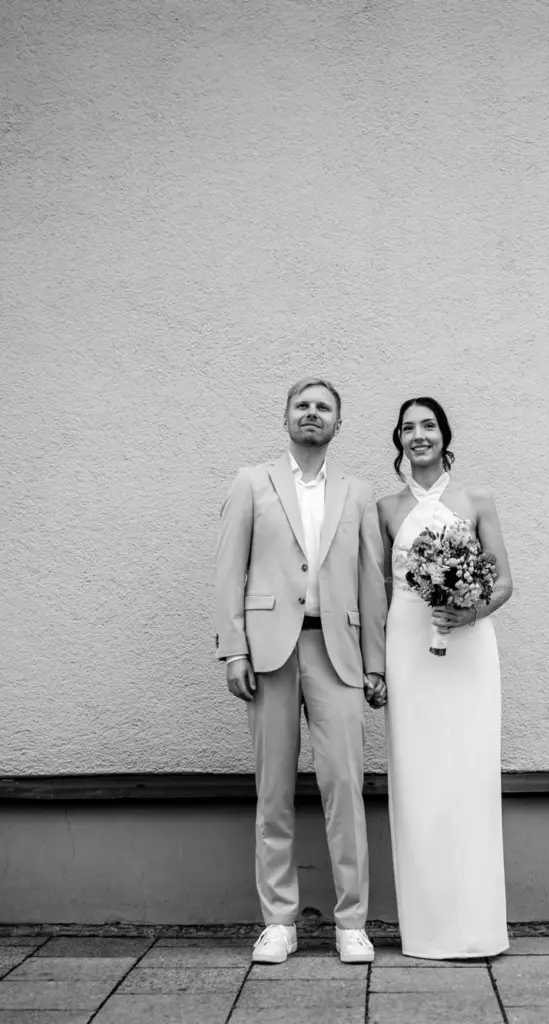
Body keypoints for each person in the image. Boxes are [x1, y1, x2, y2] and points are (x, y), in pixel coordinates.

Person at [213, 377, 388, 965]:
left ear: (339, 423)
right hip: (269, 653)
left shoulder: (358, 492)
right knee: (274, 791)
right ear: (285, 417)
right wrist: (233, 649)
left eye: (324, 408)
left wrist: (375, 663)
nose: (312, 414)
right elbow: (228, 570)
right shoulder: (251, 483)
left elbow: (371, 580)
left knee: (345, 788)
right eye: (302, 406)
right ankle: (279, 921)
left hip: (336, 652)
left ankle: (352, 922)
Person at [377, 396, 514, 959]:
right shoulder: (384, 508)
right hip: (409, 645)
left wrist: (471, 610)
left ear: (444, 434)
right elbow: (381, 589)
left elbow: (504, 581)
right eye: (408, 428)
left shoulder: (477, 499)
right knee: (419, 777)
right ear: (400, 442)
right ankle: (429, 929)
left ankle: (478, 925)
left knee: (471, 774)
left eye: (428, 425)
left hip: (469, 648)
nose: (418, 436)